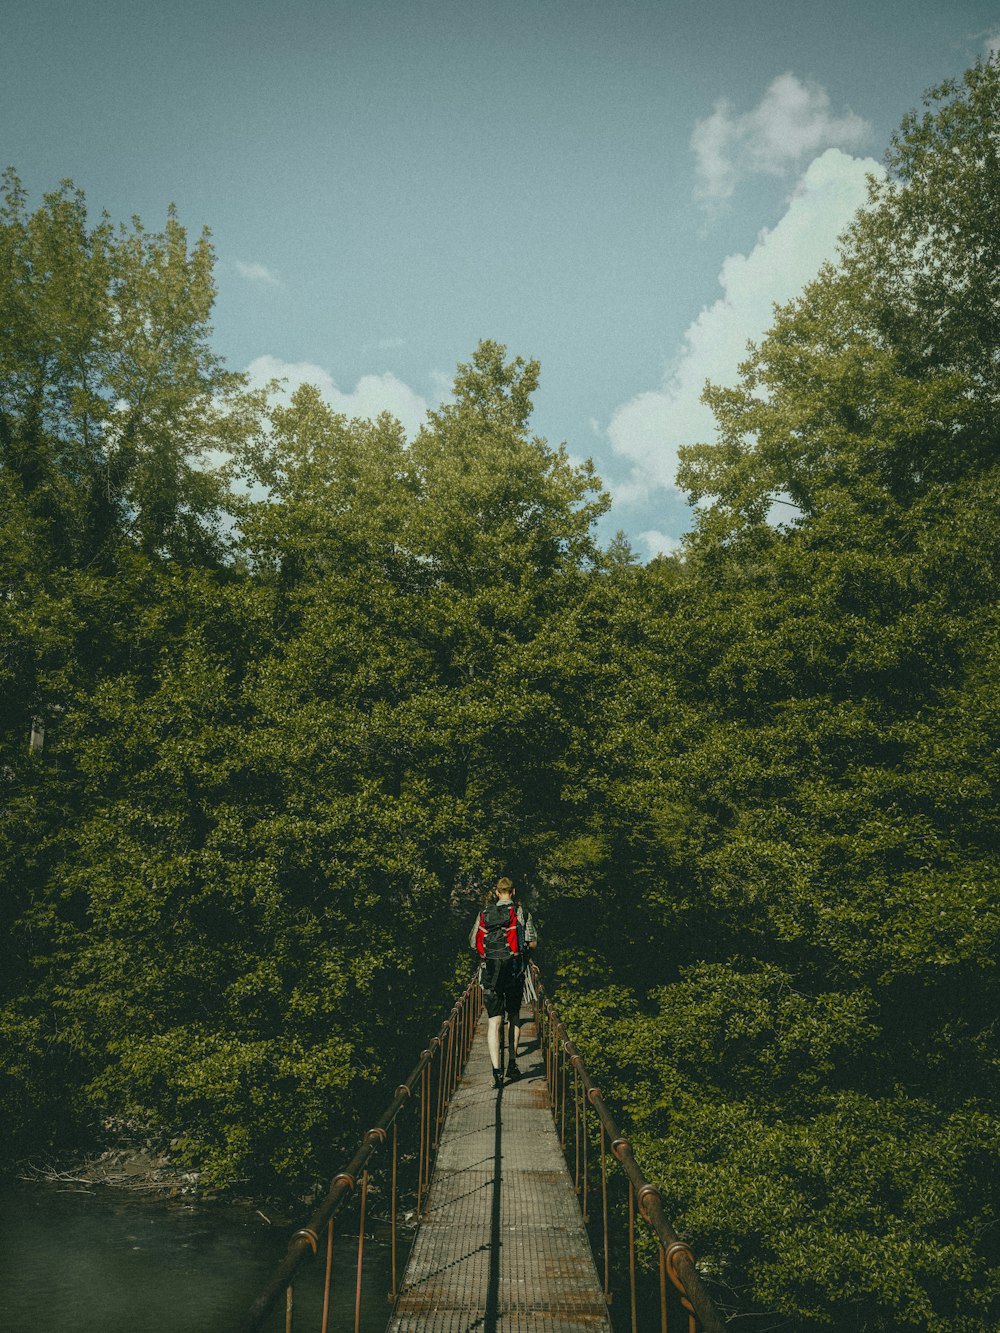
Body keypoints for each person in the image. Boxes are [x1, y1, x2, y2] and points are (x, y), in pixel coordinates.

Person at [470, 876, 537, 1087]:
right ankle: (512, 1064)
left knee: (494, 1021)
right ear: (513, 892)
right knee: (514, 1017)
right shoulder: (522, 914)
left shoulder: (484, 914)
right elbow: (532, 942)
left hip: (490, 975)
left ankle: (496, 1073)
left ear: (497, 893)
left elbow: (473, 942)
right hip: (515, 974)